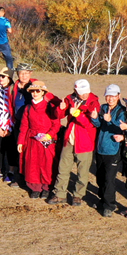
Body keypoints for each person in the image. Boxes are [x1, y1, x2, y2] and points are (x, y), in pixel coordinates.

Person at [48, 79, 100, 207]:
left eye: (86, 92)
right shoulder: (69, 99)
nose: (85, 95)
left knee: (82, 172)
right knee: (63, 168)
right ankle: (60, 194)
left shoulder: (93, 102)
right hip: (69, 140)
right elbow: (59, 115)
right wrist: (60, 109)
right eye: (82, 92)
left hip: (85, 142)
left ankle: (78, 195)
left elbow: (90, 125)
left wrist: (77, 114)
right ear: (76, 91)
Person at [17, 80, 58, 197]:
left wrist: (48, 135)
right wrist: (20, 141)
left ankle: (47, 186)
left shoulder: (50, 107)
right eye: (33, 91)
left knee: (47, 164)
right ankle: (35, 187)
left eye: (38, 91)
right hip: (32, 139)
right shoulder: (28, 108)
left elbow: (56, 124)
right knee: (32, 164)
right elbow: (24, 126)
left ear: (43, 92)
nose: (35, 93)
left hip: (47, 140)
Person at [93, 85, 127, 217]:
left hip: (113, 150)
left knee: (109, 179)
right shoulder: (103, 107)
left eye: (113, 96)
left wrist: (111, 120)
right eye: (108, 96)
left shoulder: (122, 111)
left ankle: (110, 205)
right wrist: (95, 118)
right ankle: (102, 200)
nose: (110, 99)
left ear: (118, 96)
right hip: (100, 148)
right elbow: (98, 125)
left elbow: (121, 126)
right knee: (100, 177)